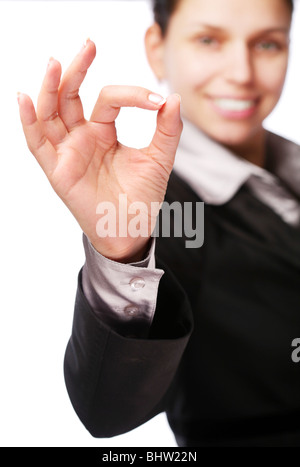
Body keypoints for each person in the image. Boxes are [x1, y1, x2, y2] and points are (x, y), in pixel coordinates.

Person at [18, 0, 300, 447]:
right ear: (156, 47)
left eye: (267, 43)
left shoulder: (290, 168)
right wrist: (123, 254)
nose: (242, 72)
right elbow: (105, 410)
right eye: (209, 40)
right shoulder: (163, 217)